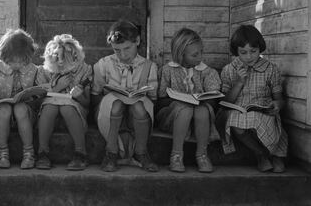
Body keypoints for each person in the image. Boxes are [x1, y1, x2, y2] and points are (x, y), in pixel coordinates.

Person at [91, 20, 159, 172]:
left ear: (138, 41)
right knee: (116, 103)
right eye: (117, 50)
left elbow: (153, 99)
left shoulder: (149, 67)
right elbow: (95, 96)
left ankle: (141, 152)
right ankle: (111, 152)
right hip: (109, 114)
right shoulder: (103, 65)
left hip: (137, 116)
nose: (123, 54)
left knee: (139, 105)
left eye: (127, 48)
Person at [219, 25, 287, 173]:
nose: (249, 57)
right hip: (238, 110)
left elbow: (279, 99)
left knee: (266, 123)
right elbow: (225, 102)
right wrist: (239, 82)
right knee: (236, 123)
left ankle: (276, 155)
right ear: (236, 51)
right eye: (243, 52)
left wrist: (277, 105)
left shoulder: (270, 69)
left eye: (253, 51)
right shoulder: (229, 70)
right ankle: (261, 154)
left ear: (260, 48)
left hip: (263, 111)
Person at [157, 28, 221, 173]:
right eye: (194, 54)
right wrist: (179, 101)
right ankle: (176, 155)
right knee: (185, 109)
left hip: (200, 119)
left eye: (201, 52)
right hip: (173, 117)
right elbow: (161, 100)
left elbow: (213, 100)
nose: (200, 57)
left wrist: (200, 101)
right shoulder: (167, 71)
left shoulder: (207, 72)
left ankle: (202, 155)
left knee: (202, 110)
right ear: (181, 54)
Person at [35, 34, 92, 171]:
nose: (60, 63)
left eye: (65, 59)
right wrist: (57, 88)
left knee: (66, 108)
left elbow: (87, 103)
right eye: (56, 58)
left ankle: (80, 152)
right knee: (49, 106)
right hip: (49, 115)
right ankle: (42, 152)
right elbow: (38, 101)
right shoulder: (43, 71)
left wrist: (78, 96)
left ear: (75, 57)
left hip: (75, 113)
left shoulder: (85, 69)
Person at [0, 29, 39, 169]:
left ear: (27, 57)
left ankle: (29, 153)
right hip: (1, 116)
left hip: (26, 115)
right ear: (4, 57)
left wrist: (33, 97)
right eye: (11, 61)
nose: (16, 65)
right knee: (4, 109)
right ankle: (2, 153)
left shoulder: (34, 70)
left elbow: (37, 99)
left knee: (20, 108)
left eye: (21, 61)